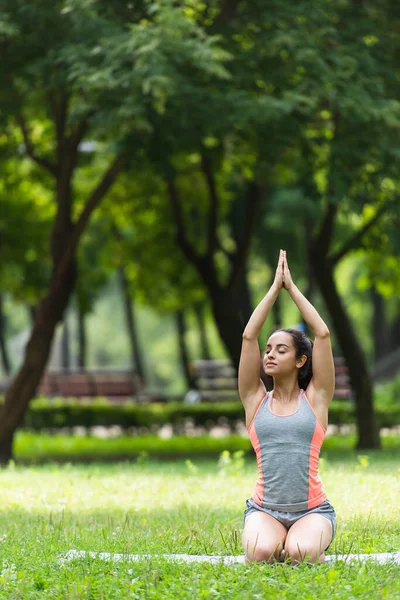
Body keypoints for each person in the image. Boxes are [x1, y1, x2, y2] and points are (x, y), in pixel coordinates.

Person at [239, 249, 336, 565]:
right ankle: (277, 538)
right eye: (268, 350)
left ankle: (299, 540)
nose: (269, 355)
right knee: (260, 553)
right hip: (263, 510)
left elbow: (321, 333)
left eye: (280, 350)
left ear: (300, 360)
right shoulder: (255, 400)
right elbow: (248, 335)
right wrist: (273, 289)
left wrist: (291, 288)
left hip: (313, 511)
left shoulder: (316, 399)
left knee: (301, 553)